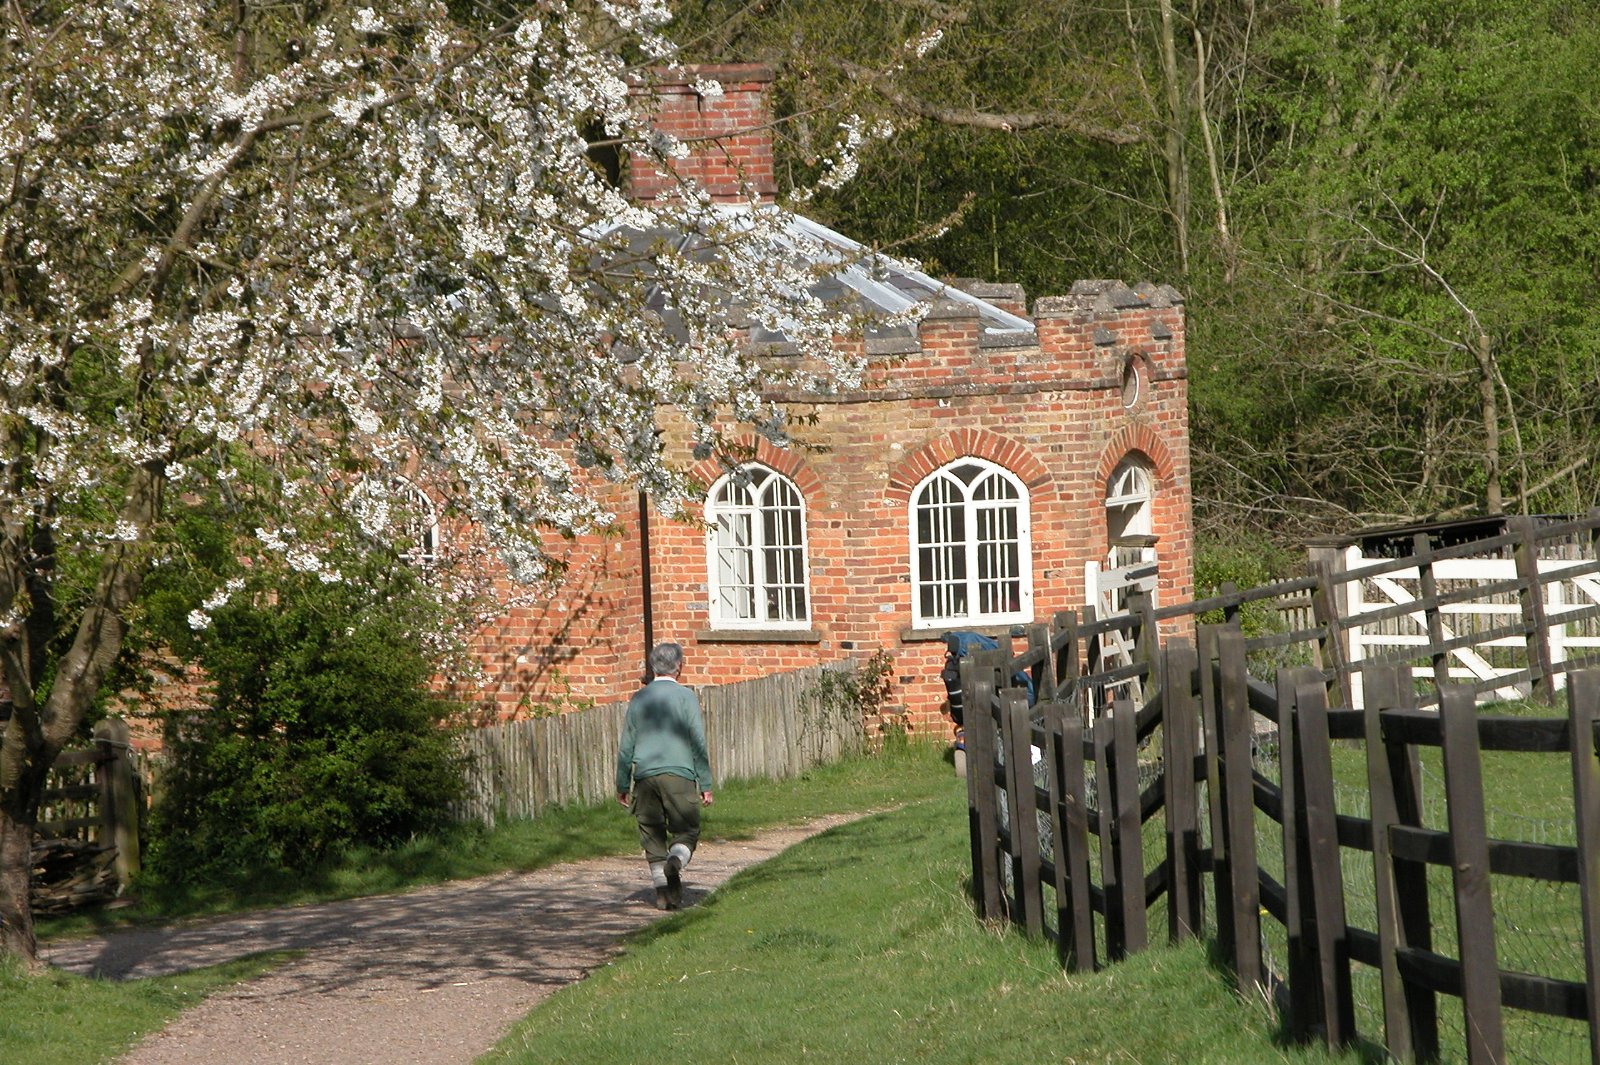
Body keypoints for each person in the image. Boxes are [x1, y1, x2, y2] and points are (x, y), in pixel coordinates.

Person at [615, 642, 714, 910]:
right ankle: (677, 862)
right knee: (687, 830)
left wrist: (622, 783)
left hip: (645, 776)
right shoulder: (686, 697)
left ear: (652, 667)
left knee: (652, 835)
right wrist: (705, 783)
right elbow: (697, 741)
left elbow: (627, 745)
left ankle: (662, 892)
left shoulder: (639, 698)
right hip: (679, 774)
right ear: (679, 666)